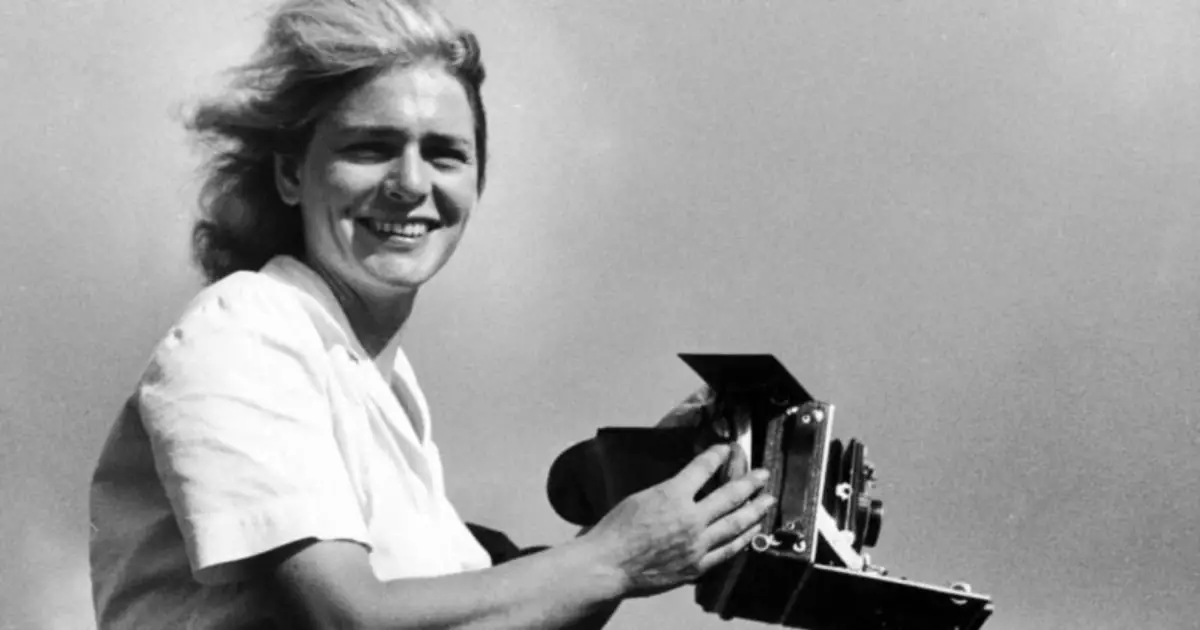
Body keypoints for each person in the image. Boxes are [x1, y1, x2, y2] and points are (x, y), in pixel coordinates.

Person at [87, 1, 775, 628]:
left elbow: (487, 617)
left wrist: (646, 510)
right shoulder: (246, 328)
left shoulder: (383, 393)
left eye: (444, 154)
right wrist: (614, 556)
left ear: (476, 182)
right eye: (370, 147)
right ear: (291, 173)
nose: (411, 183)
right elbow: (350, 618)